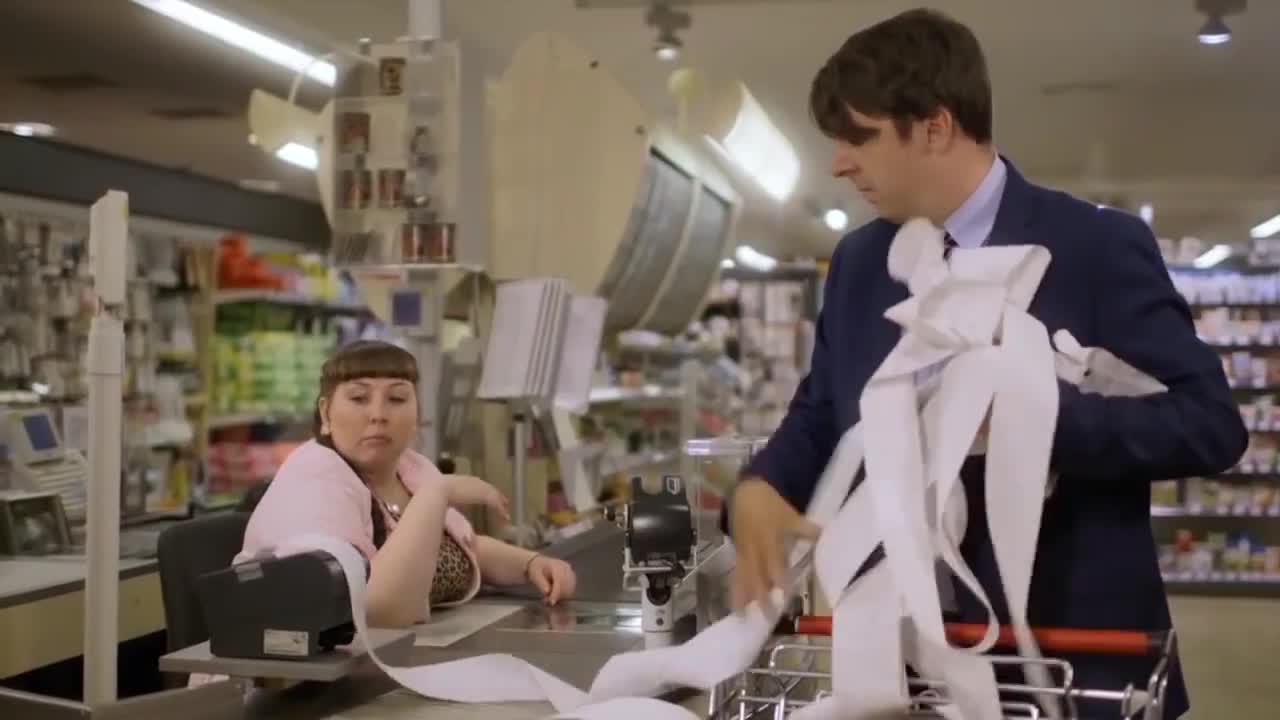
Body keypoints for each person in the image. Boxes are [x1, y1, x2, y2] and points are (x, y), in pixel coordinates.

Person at [726, 9, 1247, 718]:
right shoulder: (860, 265)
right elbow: (824, 410)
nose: (838, 163)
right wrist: (763, 484)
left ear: (935, 127)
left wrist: (1032, 419)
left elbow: (1211, 426)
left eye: (860, 136)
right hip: (910, 671)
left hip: (1074, 668)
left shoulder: (1094, 248)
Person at [239, 340, 577, 627]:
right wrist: (438, 494)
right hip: (300, 677)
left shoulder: (410, 468)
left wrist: (531, 564)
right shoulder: (315, 482)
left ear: (417, 413)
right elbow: (383, 611)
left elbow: (463, 547)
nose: (378, 414)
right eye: (359, 398)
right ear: (326, 414)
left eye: (397, 399)